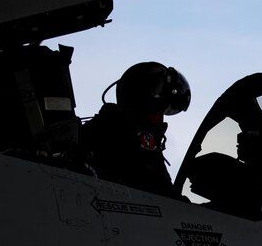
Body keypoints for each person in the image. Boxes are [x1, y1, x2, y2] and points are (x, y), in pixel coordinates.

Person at [81, 62, 190, 195]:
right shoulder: (132, 136)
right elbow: (161, 189)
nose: (160, 118)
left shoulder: (101, 127)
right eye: (160, 109)